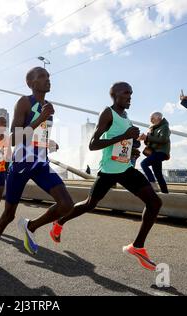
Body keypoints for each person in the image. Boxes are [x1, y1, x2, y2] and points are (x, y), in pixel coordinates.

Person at [50, 82, 163, 271]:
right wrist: (124, 136)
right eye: (127, 93)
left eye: (131, 93)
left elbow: (124, 141)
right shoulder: (108, 112)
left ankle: (137, 247)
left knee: (155, 203)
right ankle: (59, 222)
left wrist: (133, 143)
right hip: (109, 171)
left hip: (125, 168)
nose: (130, 97)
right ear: (115, 94)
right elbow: (93, 144)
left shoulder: (126, 116)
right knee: (89, 204)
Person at [0, 67, 74, 273]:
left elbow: (36, 137)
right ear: (31, 83)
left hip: (41, 164)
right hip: (21, 165)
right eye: (42, 77)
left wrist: (49, 143)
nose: (48, 80)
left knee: (67, 204)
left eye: (49, 76)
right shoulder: (24, 102)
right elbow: (14, 138)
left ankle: (31, 226)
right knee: (8, 215)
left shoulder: (49, 106)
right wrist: (40, 118)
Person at [139, 112, 171, 194]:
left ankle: (152, 183)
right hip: (155, 152)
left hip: (161, 152)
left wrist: (147, 137)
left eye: (152, 118)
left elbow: (163, 139)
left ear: (158, 118)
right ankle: (165, 193)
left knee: (144, 163)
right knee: (158, 174)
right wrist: (145, 139)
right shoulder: (153, 128)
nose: (150, 120)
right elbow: (150, 142)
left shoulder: (165, 127)